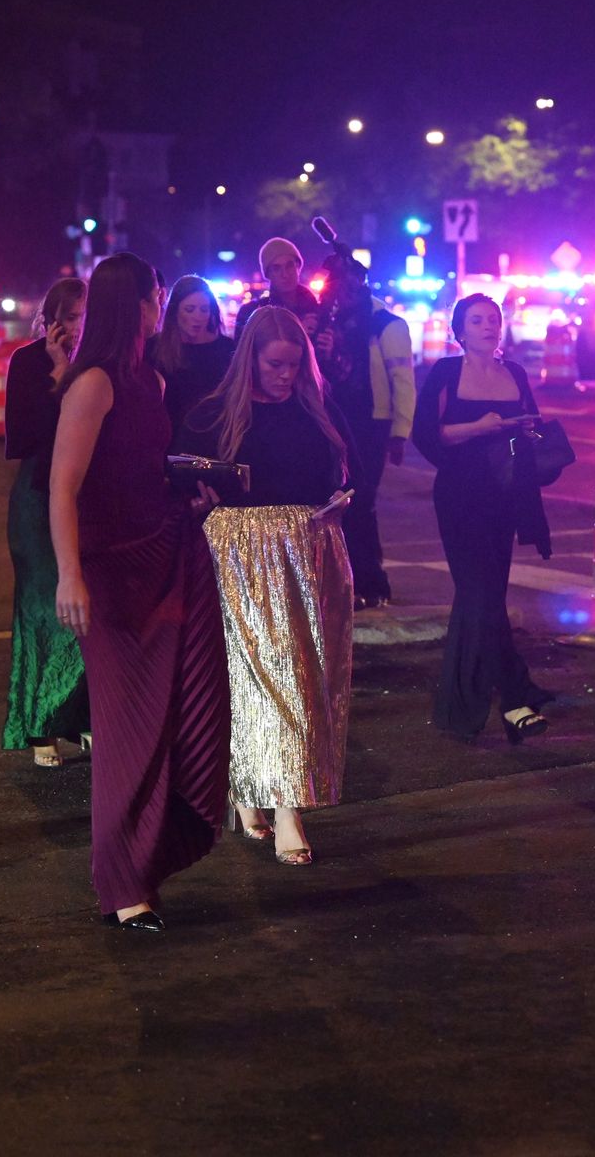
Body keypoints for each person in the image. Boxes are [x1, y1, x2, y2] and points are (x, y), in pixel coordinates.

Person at [50, 252, 229, 932]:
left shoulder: (148, 379)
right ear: (138, 303)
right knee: (126, 728)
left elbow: (143, 472)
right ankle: (123, 885)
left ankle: (147, 865)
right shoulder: (93, 383)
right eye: (157, 295)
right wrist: (69, 573)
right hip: (111, 572)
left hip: (165, 552)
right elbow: (62, 487)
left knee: (174, 713)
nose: (163, 307)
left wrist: (194, 497)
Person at [174, 305, 353, 865]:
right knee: (259, 676)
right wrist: (199, 499)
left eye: (296, 365)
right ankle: (283, 807)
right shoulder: (211, 415)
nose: (286, 375)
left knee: (300, 675)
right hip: (238, 552)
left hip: (308, 551)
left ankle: (252, 789)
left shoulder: (315, 408)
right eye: (276, 364)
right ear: (249, 357)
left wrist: (344, 499)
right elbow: (178, 474)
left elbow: (353, 471)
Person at [412, 293, 557, 743]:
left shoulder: (514, 372)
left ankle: (464, 703)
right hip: (460, 496)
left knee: (487, 597)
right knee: (480, 593)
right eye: (477, 320)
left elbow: (529, 423)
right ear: (460, 330)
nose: (489, 326)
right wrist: (480, 428)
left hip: (506, 496)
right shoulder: (445, 372)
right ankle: (512, 698)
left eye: (494, 319)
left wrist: (529, 430)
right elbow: (426, 435)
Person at [2, 277, 90, 767]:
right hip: (38, 495)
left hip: (90, 497)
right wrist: (59, 376)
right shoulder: (28, 361)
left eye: (86, 317)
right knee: (42, 604)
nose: (80, 327)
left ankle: (81, 717)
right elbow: (22, 437)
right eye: (72, 317)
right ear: (52, 320)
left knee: (88, 611)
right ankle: (39, 724)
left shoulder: (104, 364)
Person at [317, 257, 414, 608]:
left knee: (361, 503)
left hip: (373, 422)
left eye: (346, 283)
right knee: (342, 502)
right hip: (337, 420)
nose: (340, 291)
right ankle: (352, 582)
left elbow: (402, 379)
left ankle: (371, 581)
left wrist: (400, 432)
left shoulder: (385, 324)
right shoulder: (330, 320)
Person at [153, 275, 237, 435]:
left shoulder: (226, 348)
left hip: (215, 436)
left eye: (204, 310)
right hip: (170, 437)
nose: (197, 317)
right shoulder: (156, 348)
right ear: (175, 310)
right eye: (189, 309)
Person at [234, 237, 318, 333]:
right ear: (268, 274)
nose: (285, 274)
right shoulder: (251, 314)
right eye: (276, 268)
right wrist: (298, 333)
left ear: (298, 267)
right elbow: (244, 347)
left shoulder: (317, 311)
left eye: (289, 266)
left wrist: (331, 345)